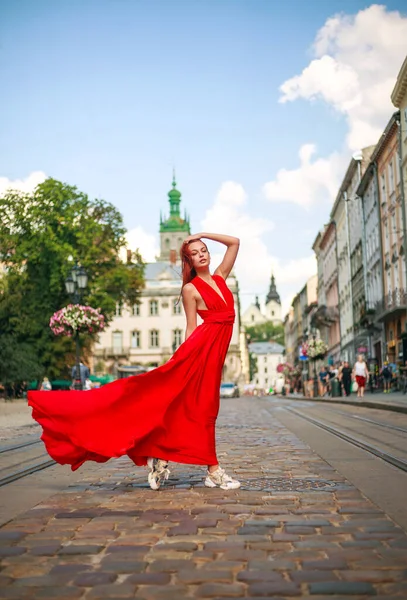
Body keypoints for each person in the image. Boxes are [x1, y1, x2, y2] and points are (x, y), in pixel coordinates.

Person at [28, 232, 241, 492]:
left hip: (215, 354)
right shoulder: (190, 289)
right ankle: (213, 471)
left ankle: (160, 455)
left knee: (196, 409)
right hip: (200, 353)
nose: (202, 254)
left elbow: (234, 242)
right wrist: (183, 362)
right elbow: (190, 328)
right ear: (189, 261)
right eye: (195, 253)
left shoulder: (221, 277)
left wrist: (202, 234)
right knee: (202, 411)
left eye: (204, 249)